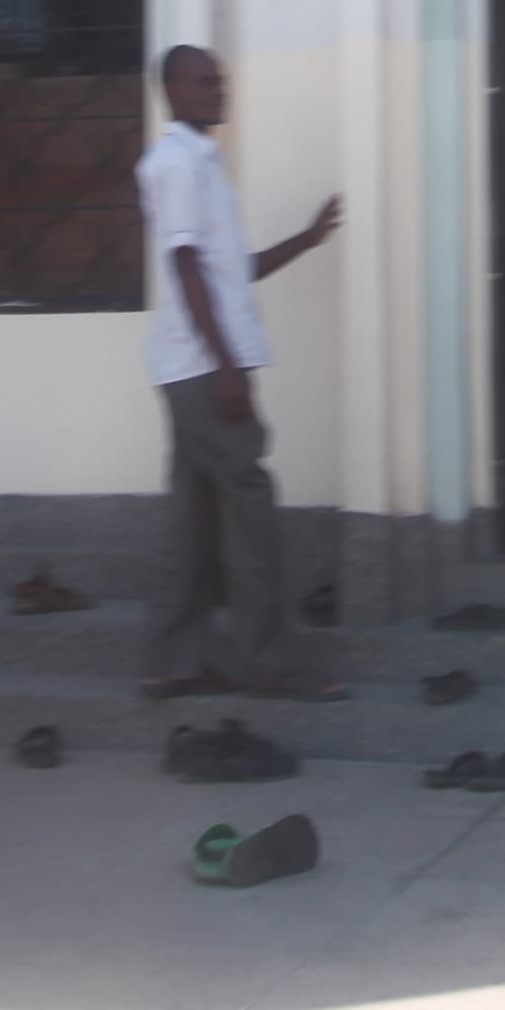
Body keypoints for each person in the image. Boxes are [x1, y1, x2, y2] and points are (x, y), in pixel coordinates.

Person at [138, 44, 345, 702]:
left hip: (197, 361)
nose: (217, 92)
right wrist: (227, 367)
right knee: (250, 509)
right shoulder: (174, 164)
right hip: (205, 365)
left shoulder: (203, 162)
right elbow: (186, 266)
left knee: (193, 515)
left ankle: (173, 659)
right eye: (202, 83)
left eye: (219, 81)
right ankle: (271, 662)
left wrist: (306, 241)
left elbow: (233, 268)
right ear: (171, 91)